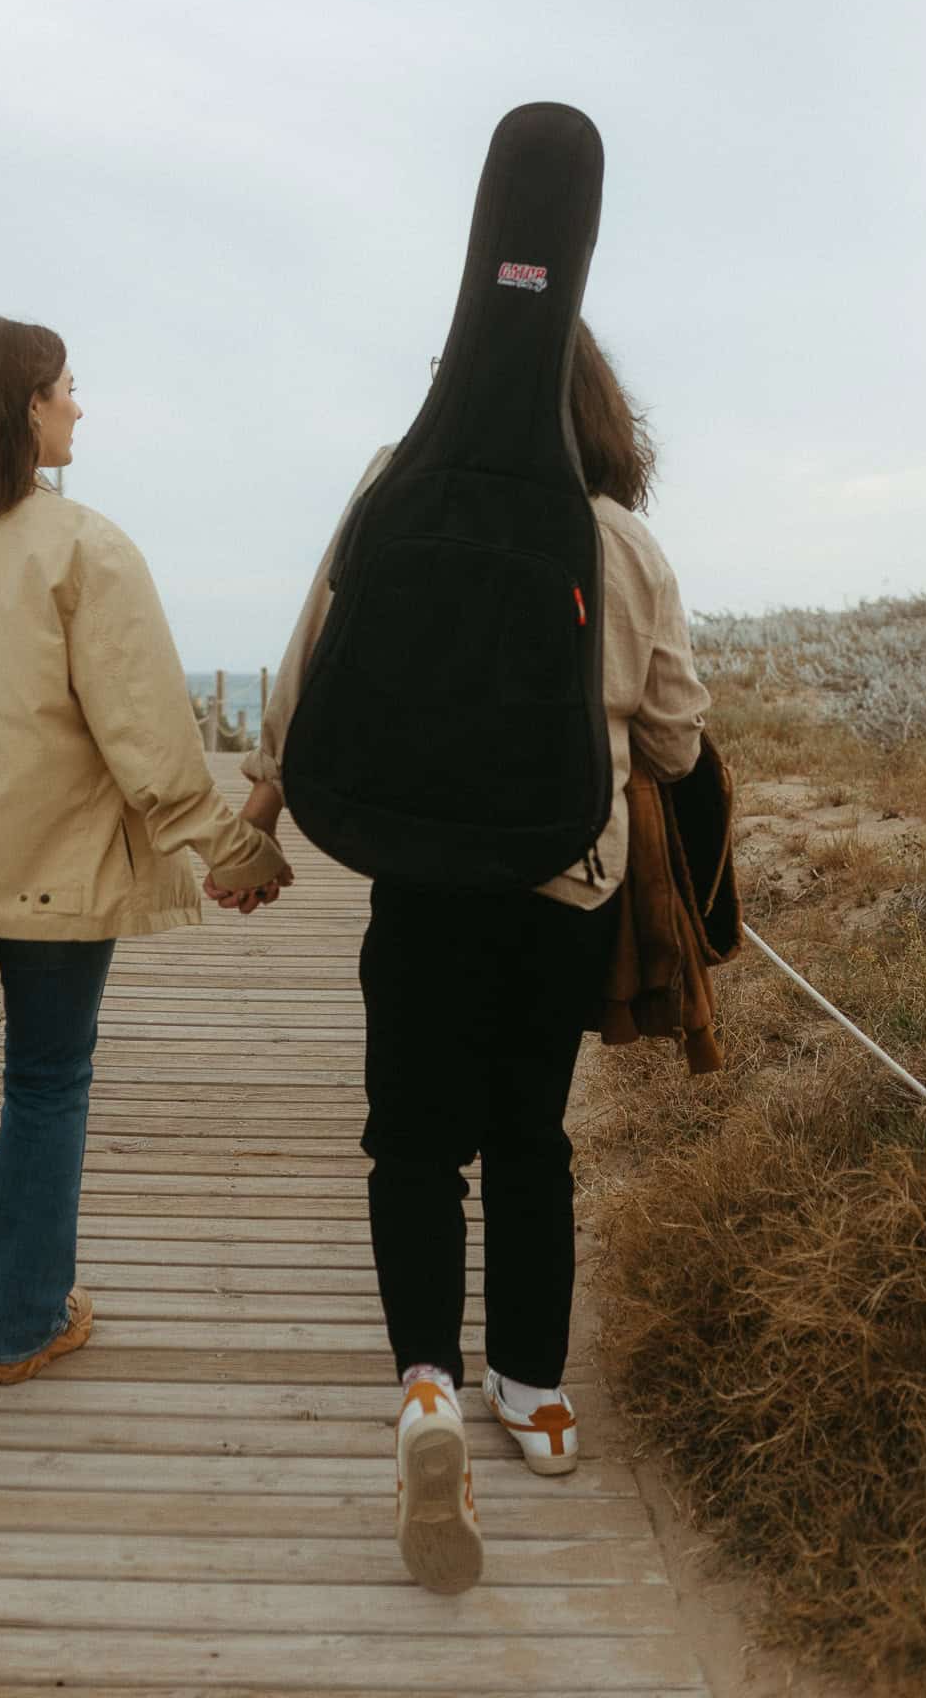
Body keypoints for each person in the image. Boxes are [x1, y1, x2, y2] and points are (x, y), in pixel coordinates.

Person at [223, 322, 710, 1593]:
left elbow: (308, 668)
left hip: (424, 872)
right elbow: (671, 735)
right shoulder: (622, 537)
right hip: (567, 885)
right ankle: (537, 1394)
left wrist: (266, 809)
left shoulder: (400, 490)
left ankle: (427, 1385)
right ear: (602, 408)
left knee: (414, 1139)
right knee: (530, 1135)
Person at [0, 315, 291, 1519]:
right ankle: (20, 1324)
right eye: (69, 389)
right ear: (25, 406)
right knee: (47, 1081)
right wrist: (235, 850)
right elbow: (148, 738)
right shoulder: (84, 547)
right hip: (55, 881)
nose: (81, 408)